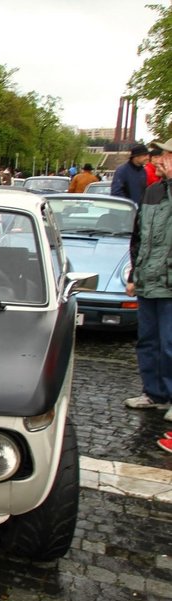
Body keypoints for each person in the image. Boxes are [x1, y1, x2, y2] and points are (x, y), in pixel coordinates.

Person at [123, 138, 172, 448]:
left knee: (170, 344)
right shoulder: (153, 191)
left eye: (166, 156)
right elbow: (138, 236)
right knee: (149, 340)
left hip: (169, 283)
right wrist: (135, 272)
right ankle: (153, 393)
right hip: (147, 281)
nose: (160, 160)